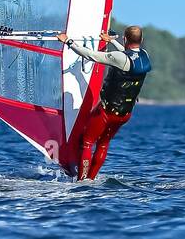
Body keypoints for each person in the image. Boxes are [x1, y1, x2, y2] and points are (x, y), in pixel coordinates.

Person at [57, 25, 151, 180]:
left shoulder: (119, 58)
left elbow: (91, 55)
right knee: (103, 144)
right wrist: (112, 42)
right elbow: (127, 55)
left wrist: (68, 41)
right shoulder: (144, 55)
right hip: (125, 114)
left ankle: (82, 181)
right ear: (141, 40)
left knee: (87, 143)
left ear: (125, 38)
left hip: (107, 113)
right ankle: (91, 179)